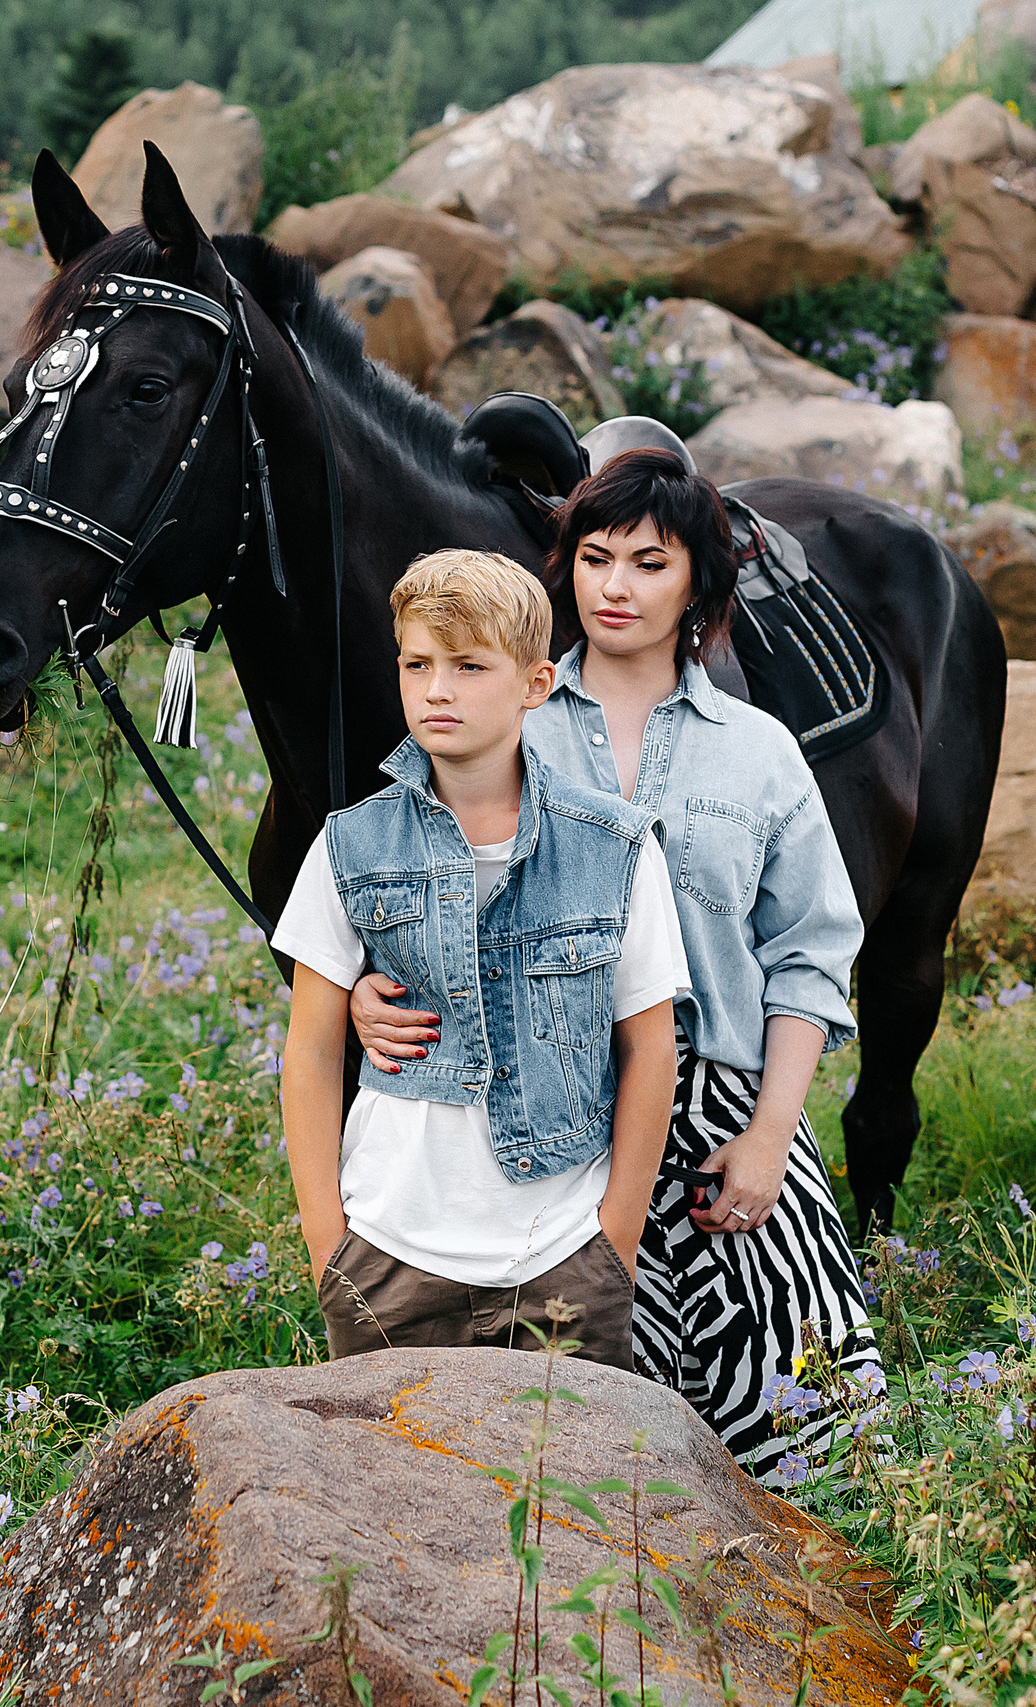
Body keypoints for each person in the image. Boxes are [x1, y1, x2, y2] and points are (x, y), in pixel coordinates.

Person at [351, 450, 876, 1479]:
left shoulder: (759, 752)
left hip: (723, 1114)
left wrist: (770, 1136)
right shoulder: (505, 721)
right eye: (595, 559)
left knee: (813, 1421)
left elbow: (811, 956)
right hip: (543, 1106)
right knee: (559, 1437)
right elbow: (401, 878)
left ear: (698, 584)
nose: (616, 587)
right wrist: (369, 987)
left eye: (649, 562)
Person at [273, 548, 688, 1368]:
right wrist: (329, 1245)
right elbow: (311, 1050)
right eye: (417, 664)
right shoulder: (350, 845)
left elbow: (650, 1050)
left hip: (564, 1256)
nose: (437, 689)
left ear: (536, 683)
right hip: (388, 1254)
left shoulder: (615, 847)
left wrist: (615, 1239)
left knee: (565, 1458)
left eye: (468, 666)